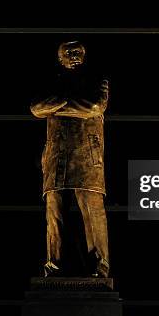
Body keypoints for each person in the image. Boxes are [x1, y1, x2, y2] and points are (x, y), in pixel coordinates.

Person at [30, 40, 110, 278]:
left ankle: (101, 266)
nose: (74, 56)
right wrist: (73, 104)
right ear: (60, 58)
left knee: (93, 210)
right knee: (54, 210)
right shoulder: (51, 82)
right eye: (69, 52)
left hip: (87, 155)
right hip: (57, 156)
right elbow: (36, 108)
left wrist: (58, 104)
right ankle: (53, 265)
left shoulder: (97, 80)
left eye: (78, 52)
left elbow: (95, 106)